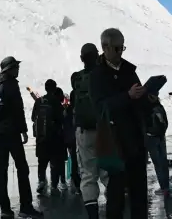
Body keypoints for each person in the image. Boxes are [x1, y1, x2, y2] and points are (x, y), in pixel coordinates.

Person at [89, 28, 149, 219]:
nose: (120, 52)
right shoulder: (97, 75)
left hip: (136, 140)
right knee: (116, 195)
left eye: (122, 47)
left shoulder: (129, 71)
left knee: (139, 193)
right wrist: (127, 96)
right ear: (104, 47)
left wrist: (147, 97)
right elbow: (100, 107)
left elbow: (138, 100)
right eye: (117, 48)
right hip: (115, 142)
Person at [0, 57, 43, 218]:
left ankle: (5, 209)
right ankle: (25, 207)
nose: (18, 69)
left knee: (2, 170)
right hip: (12, 132)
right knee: (22, 168)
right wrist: (24, 131)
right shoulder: (11, 84)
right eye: (16, 67)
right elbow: (18, 109)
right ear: (10, 69)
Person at [71, 42, 100, 219]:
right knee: (108, 173)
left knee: (88, 175)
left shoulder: (76, 78)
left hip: (84, 132)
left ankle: (93, 216)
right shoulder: (103, 75)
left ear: (82, 59)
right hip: (104, 130)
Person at [32, 79, 65, 194]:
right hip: (54, 137)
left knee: (42, 162)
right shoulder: (56, 102)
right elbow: (61, 119)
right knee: (54, 162)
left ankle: (41, 181)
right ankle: (54, 185)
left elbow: (33, 118)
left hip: (41, 137)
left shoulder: (39, 101)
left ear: (45, 88)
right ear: (54, 88)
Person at [145, 94, 169, 196]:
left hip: (151, 138)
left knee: (158, 164)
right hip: (161, 136)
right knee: (163, 162)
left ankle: (163, 187)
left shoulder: (146, 108)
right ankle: (166, 187)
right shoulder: (160, 107)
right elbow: (166, 123)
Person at [64, 88, 81, 194]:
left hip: (71, 140)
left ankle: (78, 185)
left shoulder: (67, 110)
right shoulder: (81, 108)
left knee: (74, 162)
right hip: (81, 137)